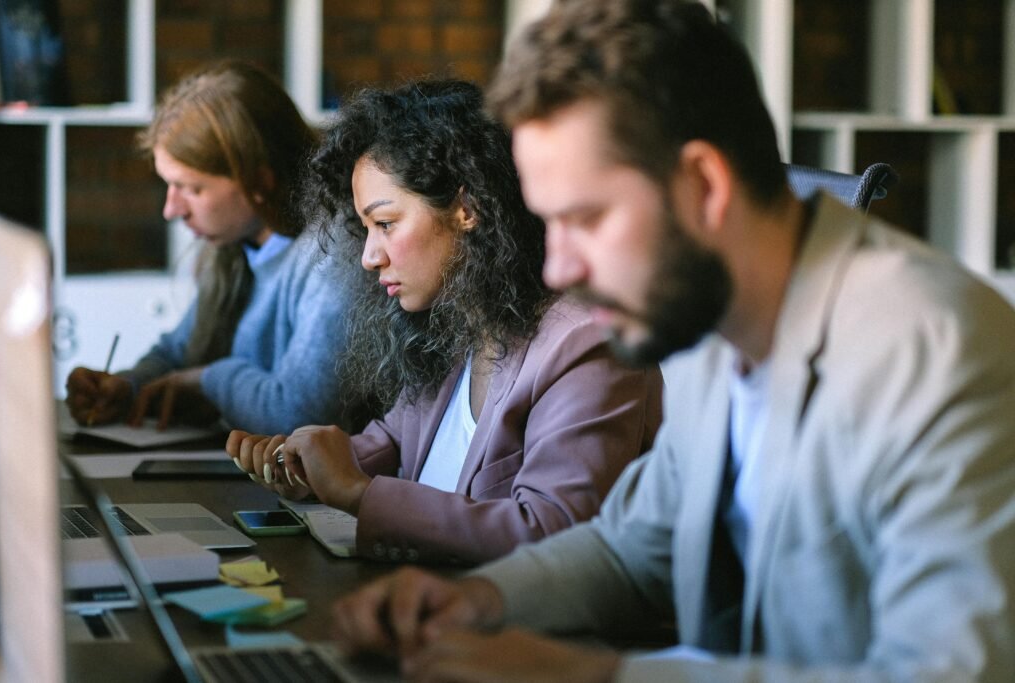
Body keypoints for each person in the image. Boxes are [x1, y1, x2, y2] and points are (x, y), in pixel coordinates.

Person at [326, 2, 1015, 681]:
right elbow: (631, 546)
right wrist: (476, 599)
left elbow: (949, 671)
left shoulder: (938, 353)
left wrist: (593, 675)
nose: (558, 266)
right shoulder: (713, 328)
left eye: (584, 218)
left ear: (705, 186)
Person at [226, 79, 663, 566]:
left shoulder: (587, 343)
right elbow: (394, 441)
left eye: (386, 223)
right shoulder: (461, 319)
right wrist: (306, 463)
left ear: (467, 208)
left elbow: (553, 532)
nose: (370, 256)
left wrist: (357, 493)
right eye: (365, 229)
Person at [64, 60, 347, 435]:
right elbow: (177, 353)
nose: (171, 210)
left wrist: (207, 380)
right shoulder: (238, 245)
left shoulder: (332, 253)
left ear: (259, 180)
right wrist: (126, 386)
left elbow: (298, 416)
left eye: (191, 188)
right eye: (169, 186)